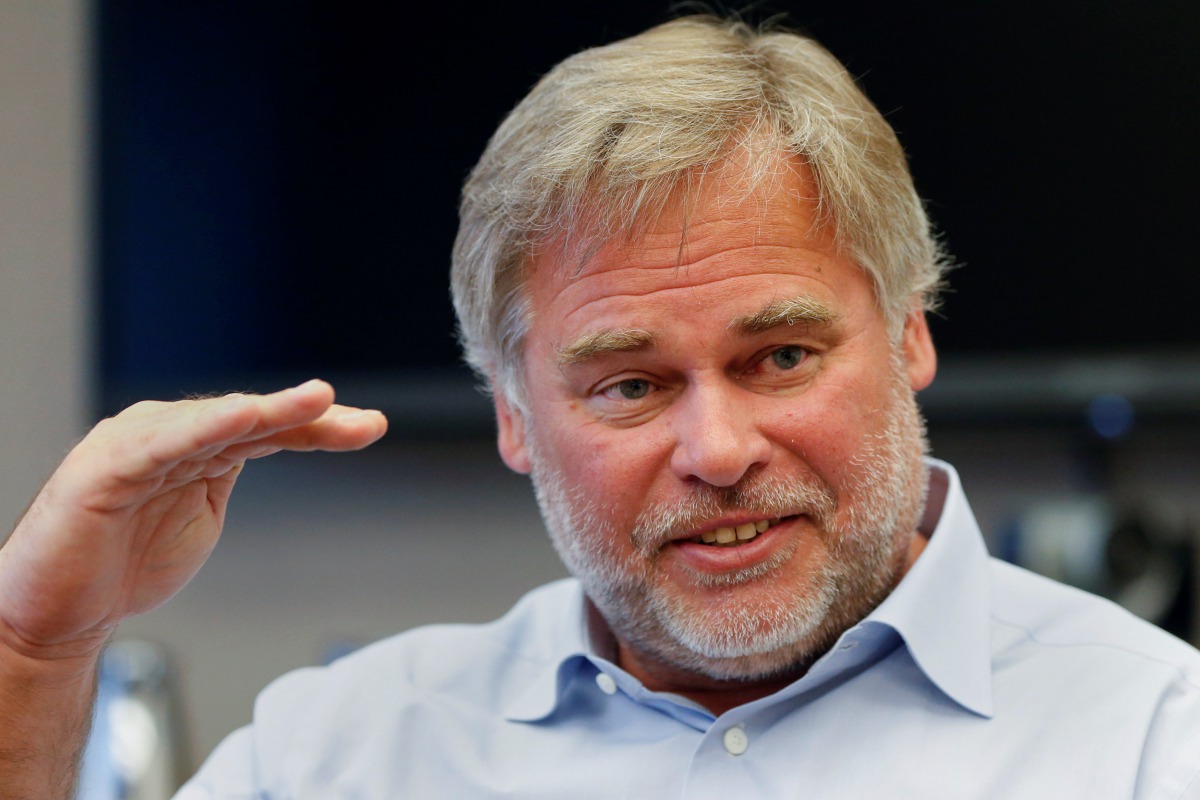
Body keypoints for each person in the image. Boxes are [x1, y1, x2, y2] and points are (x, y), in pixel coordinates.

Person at [2, 14, 1199, 799]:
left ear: (908, 334)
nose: (719, 451)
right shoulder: (340, 751)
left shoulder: (1154, 738)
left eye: (781, 355)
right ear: (514, 416)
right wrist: (33, 650)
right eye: (630, 384)